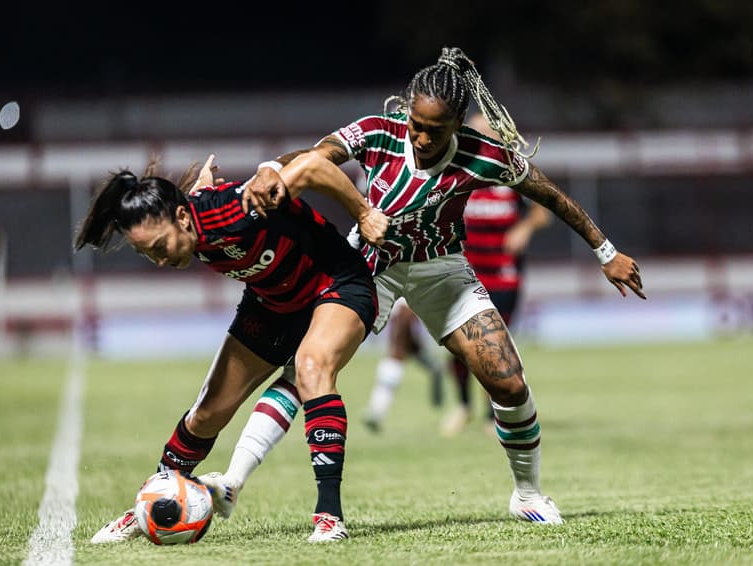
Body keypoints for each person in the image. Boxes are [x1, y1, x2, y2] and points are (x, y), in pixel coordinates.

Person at [206, 46, 645, 527]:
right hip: (369, 266)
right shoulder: (379, 132)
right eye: (416, 123)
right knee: (309, 367)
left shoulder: (485, 157)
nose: (420, 136)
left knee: (510, 382)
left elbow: (550, 195)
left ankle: (528, 495)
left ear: (458, 123)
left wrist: (606, 252)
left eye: (434, 130)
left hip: (443, 269)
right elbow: (319, 155)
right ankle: (231, 481)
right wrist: (273, 167)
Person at [76, 152, 385, 543]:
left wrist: (363, 213)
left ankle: (329, 515)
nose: (159, 259)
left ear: (182, 219)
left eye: (159, 245)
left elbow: (312, 166)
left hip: (336, 282)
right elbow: (198, 199)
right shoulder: (191, 216)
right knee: (207, 412)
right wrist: (202, 187)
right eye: (147, 253)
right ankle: (151, 501)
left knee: (311, 368)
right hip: (273, 302)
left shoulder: (238, 207)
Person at [441, 114, 553, 436]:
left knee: (495, 348)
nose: (484, 135)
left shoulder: (511, 173)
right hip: (464, 275)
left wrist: (525, 227)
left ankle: (495, 416)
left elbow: (543, 209)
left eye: (489, 130)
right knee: (459, 347)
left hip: (504, 275)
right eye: (477, 131)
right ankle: (463, 406)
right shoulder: (456, 172)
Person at [362, 298, 445, 432]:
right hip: (395, 357)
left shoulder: (402, 308)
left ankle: (376, 412)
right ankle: (376, 413)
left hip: (394, 355)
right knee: (389, 380)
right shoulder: (404, 309)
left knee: (394, 362)